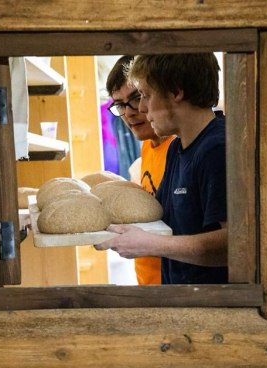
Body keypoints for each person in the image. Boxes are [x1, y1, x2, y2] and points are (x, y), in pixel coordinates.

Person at [96, 53, 228, 284]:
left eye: (145, 95)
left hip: (212, 310)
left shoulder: (218, 149)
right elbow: (163, 217)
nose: (143, 108)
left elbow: (236, 245)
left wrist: (150, 244)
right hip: (180, 302)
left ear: (176, 92)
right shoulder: (178, 147)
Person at [105, 55, 174, 285]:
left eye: (136, 98)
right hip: (149, 286)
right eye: (120, 105)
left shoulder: (178, 146)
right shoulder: (147, 146)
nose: (130, 112)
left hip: (178, 291)